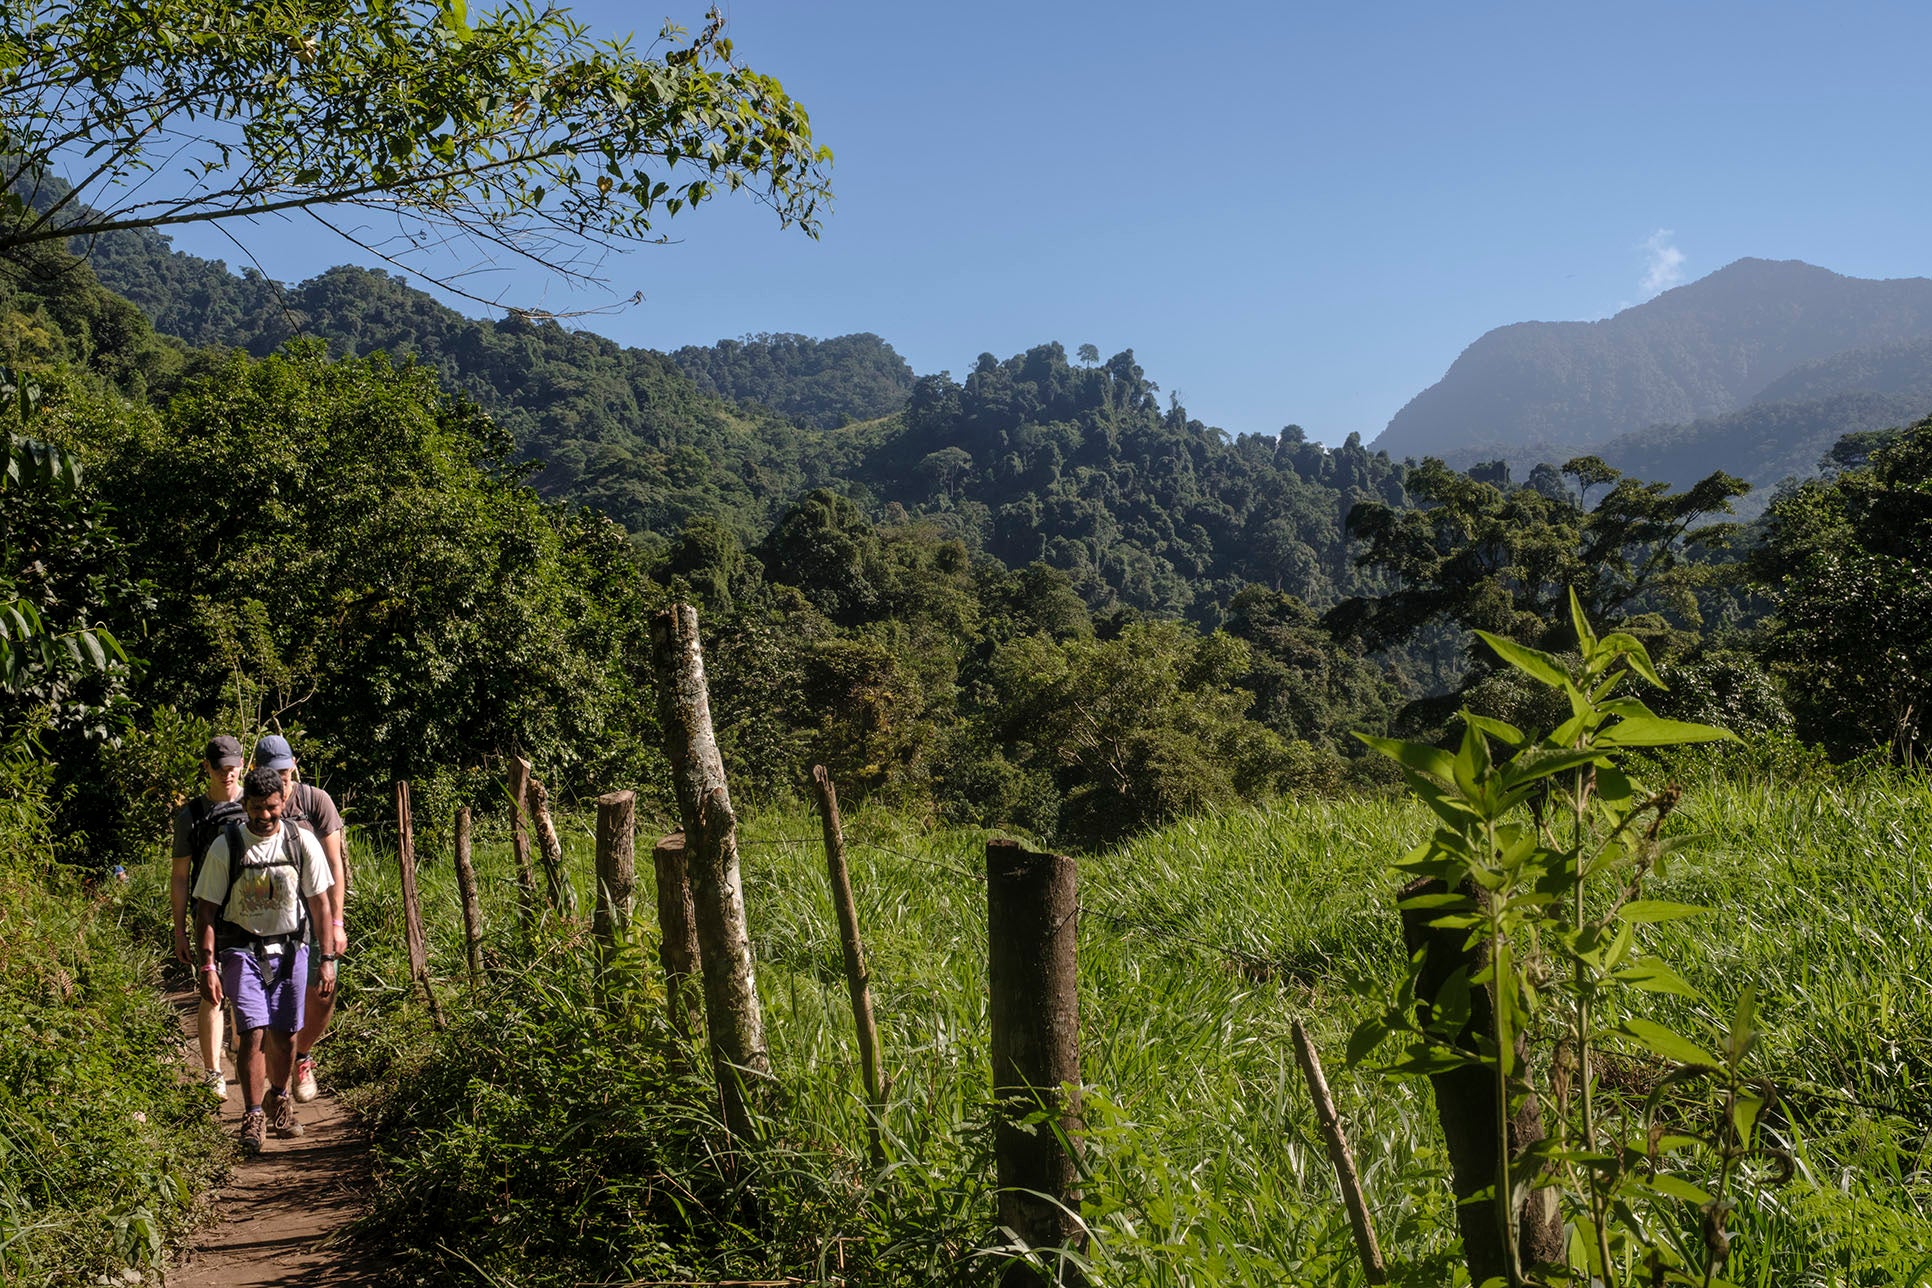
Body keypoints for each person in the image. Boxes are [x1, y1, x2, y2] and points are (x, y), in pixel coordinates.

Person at [194, 766, 336, 1154]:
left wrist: (327, 958)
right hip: (242, 949)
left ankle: (280, 1097)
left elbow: (320, 903)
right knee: (253, 1033)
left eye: (272, 807)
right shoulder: (227, 846)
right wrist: (208, 966)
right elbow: (205, 911)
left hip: (292, 949)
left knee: (286, 1036)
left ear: (283, 802)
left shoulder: (301, 842)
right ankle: (253, 1115)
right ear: (245, 805)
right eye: (256, 807)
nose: (265, 815)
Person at [251, 733, 346, 1103]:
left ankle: (302, 1055)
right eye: (274, 774)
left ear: (294, 767)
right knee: (277, 1003)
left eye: (286, 773)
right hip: (271, 919)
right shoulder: (255, 808)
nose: (283, 781)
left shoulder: (314, 802)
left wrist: (336, 923)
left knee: (323, 991)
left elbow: (335, 865)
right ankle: (277, 1085)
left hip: (317, 913)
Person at [169, 735, 247, 1099]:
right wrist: (180, 931)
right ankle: (213, 1071)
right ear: (207, 768)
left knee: (245, 992)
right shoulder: (192, 816)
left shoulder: (256, 804)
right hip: (209, 914)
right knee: (212, 993)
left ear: (242, 765)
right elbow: (181, 876)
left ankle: (237, 1050)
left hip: (253, 913)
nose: (227, 774)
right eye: (220, 768)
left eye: (233, 767)